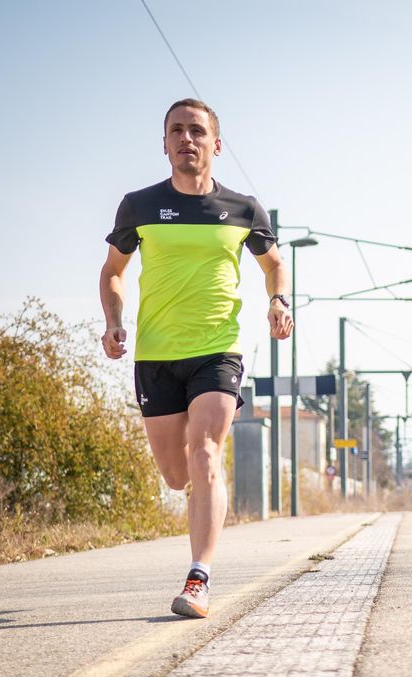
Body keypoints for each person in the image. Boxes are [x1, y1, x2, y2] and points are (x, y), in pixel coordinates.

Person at [99, 98, 292, 618]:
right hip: (156, 354)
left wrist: (278, 299)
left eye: (198, 131)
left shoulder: (243, 209)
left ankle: (198, 578)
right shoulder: (137, 206)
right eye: (177, 131)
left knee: (205, 450)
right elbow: (113, 272)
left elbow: (274, 265)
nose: (188, 139)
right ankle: (196, 511)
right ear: (164, 144)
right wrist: (114, 321)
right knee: (176, 475)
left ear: (216, 144)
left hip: (218, 349)